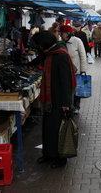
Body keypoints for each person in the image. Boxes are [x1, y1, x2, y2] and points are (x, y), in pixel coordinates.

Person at [31, 31, 75, 169]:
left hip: (59, 99)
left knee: (57, 129)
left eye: (38, 45)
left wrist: (66, 104)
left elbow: (66, 82)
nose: (38, 48)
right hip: (50, 99)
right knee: (48, 128)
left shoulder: (60, 55)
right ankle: (48, 154)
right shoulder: (49, 54)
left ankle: (60, 158)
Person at [60, 25, 88, 114]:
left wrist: (83, 70)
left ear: (68, 33)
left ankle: (76, 106)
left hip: (76, 71)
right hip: (65, 71)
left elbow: (83, 56)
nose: (61, 35)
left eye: (62, 33)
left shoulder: (77, 41)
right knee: (67, 90)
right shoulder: (60, 42)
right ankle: (68, 106)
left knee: (77, 90)